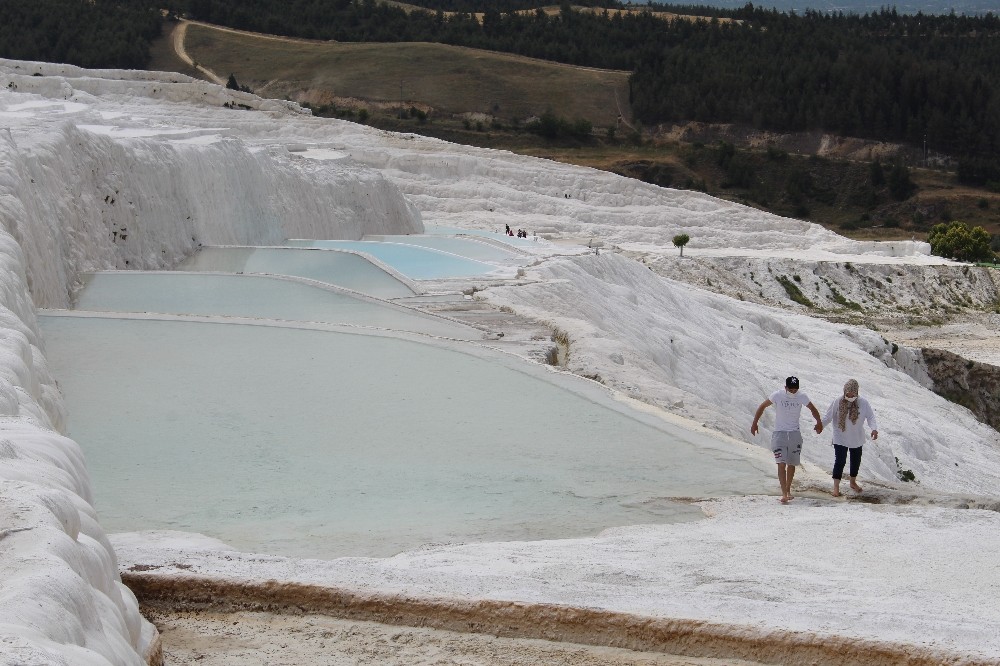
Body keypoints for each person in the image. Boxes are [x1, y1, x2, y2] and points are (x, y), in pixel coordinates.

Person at [751, 376, 823, 504]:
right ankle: (784, 494)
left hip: (795, 434)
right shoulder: (778, 395)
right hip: (780, 434)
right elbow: (762, 406)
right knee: (781, 463)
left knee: (791, 463)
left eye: (795, 390)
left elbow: (812, 408)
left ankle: (788, 490)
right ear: (785, 388)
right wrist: (755, 422)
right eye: (791, 390)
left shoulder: (802, 396)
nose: (793, 392)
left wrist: (819, 423)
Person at [821, 378, 878, 497]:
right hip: (840, 436)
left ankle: (853, 482)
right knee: (840, 461)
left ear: (857, 392)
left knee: (855, 461)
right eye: (848, 393)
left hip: (856, 437)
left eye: (853, 393)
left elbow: (870, 417)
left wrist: (874, 429)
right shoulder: (837, 401)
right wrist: (820, 425)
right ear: (844, 391)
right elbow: (828, 416)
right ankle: (836, 487)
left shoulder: (863, 403)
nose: (850, 395)